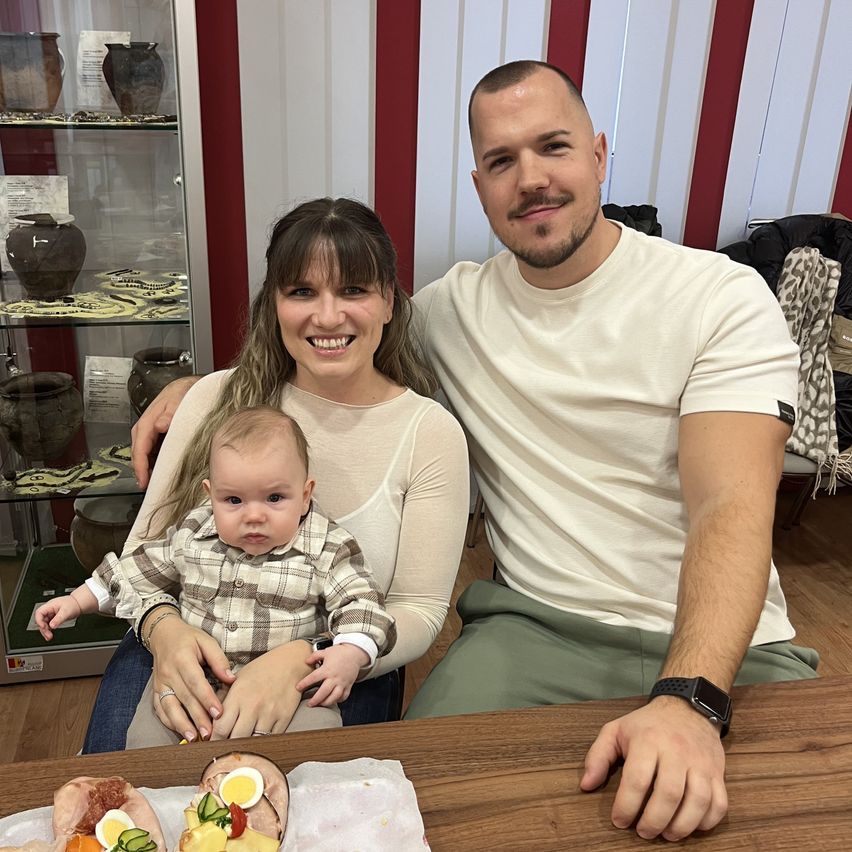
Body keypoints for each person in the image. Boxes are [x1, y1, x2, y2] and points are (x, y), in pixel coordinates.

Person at [126, 61, 819, 841]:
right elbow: (328, 338)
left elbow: (731, 504)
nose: (530, 179)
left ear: (597, 153)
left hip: (720, 644)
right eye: (500, 161)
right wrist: (201, 390)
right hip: (533, 631)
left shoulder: (716, 297)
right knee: (399, 811)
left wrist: (692, 697)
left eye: (552, 147)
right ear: (480, 182)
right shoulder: (453, 309)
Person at [82, 197, 468, 747]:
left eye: (353, 290)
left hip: (341, 668)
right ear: (274, 304)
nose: (328, 316)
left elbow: (419, 611)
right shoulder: (213, 399)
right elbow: (146, 555)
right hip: (182, 647)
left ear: (388, 301)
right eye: (303, 291)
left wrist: (303, 660)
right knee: (119, 812)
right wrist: (168, 639)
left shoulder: (428, 434)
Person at [37, 406, 396, 745]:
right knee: (144, 740)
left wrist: (351, 652)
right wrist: (75, 601)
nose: (253, 516)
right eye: (234, 501)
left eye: (274, 498)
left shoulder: (326, 547)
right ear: (211, 496)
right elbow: (134, 572)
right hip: (193, 679)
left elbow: (362, 602)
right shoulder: (194, 534)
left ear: (305, 496)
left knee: (316, 740)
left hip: (292, 692)